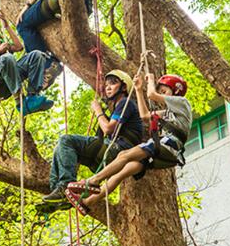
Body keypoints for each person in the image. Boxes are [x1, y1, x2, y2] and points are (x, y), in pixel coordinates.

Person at [65, 73, 192, 216]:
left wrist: (150, 79)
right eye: (161, 91)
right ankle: (88, 203)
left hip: (167, 145)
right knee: (121, 173)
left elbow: (151, 94)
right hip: (167, 154)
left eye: (164, 91)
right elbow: (144, 115)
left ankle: (92, 182)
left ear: (176, 91)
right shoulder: (170, 113)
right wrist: (138, 89)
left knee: (123, 155)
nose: (162, 95)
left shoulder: (182, 103)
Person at [42, 70, 143, 204]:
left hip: (117, 150)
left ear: (124, 87)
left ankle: (64, 185)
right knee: (60, 147)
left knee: (66, 140)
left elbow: (107, 129)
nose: (108, 87)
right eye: (106, 84)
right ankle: (58, 190)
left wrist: (98, 111)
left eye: (113, 83)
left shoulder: (126, 103)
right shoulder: (118, 108)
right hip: (108, 154)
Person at [16, 0, 95, 89]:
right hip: (86, 4)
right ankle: (52, 60)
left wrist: (27, 6)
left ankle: (45, 65)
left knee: (23, 24)